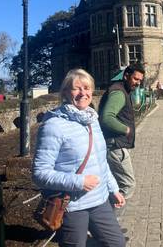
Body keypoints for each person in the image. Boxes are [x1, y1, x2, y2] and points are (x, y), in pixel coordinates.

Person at [32, 69, 126, 247]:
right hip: (71, 205)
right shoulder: (53, 125)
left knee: (116, 242)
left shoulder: (92, 119)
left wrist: (113, 189)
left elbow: (100, 161)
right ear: (66, 93)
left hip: (99, 199)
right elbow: (39, 173)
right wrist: (79, 182)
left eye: (87, 87)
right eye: (77, 88)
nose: (83, 93)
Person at [99, 64, 145, 200]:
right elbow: (107, 118)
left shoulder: (121, 90)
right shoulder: (118, 92)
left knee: (115, 185)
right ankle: (109, 218)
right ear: (126, 76)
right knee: (128, 185)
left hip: (116, 145)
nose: (138, 83)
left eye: (140, 80)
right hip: (116, 146)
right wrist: (126, 129)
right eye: (136, 79)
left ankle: (105, 217)